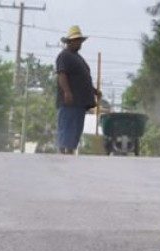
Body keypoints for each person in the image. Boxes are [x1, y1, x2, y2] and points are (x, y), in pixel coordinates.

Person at [55, 25, 101, 155]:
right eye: (76, 40)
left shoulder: (78, 57)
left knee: (76, 128)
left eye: (80, 40)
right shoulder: (64, 56)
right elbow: (62, 74)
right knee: (67, 125)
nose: (79, 43)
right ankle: (63, 151)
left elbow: (82, 80)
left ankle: (70, 150)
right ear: (69, 42)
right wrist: (67, 92)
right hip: (70, 101)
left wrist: (94, 91)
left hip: (80, 103)